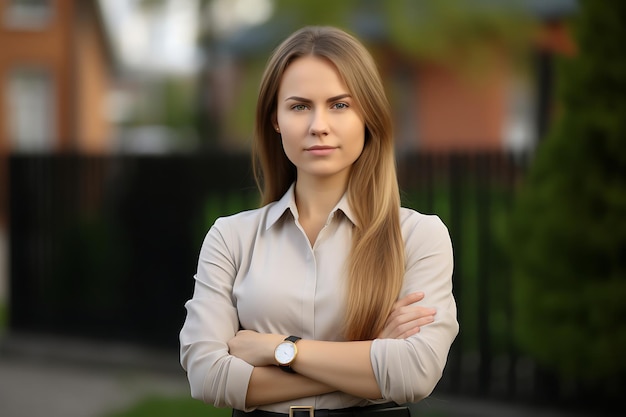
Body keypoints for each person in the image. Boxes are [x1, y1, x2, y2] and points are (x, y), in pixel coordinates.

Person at [179, 25, 458, 417]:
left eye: (340, 105)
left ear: (368, 116)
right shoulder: (231, 238)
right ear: (275, 118)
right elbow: (206, 375)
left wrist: (277, 349)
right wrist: (370, 358)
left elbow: (414, 373)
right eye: (299, 106)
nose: (318, 125)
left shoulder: (418, 237)